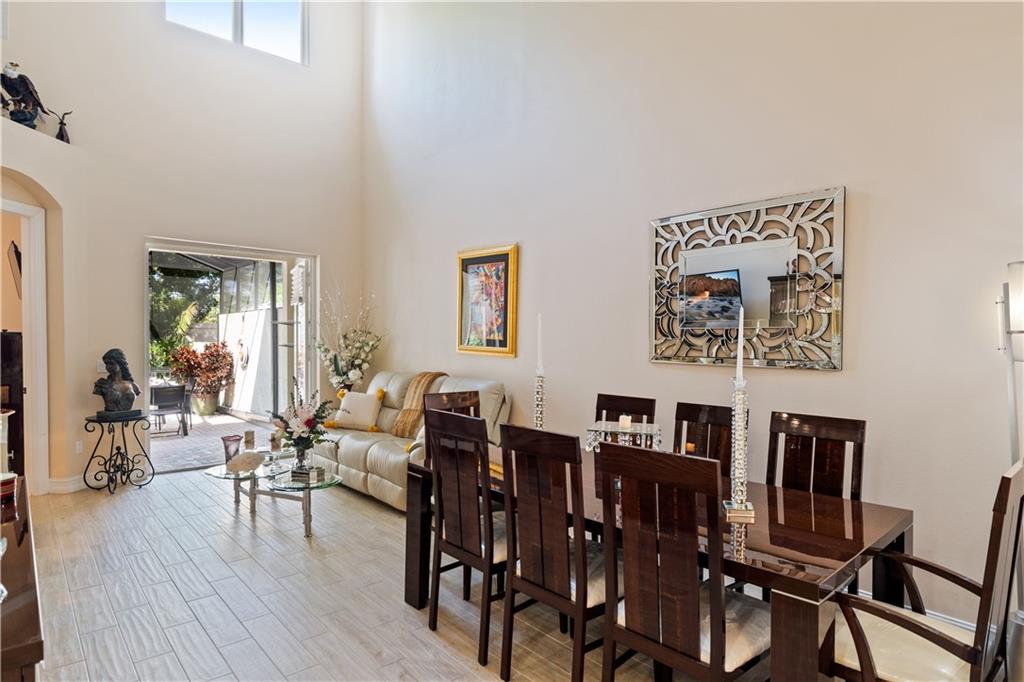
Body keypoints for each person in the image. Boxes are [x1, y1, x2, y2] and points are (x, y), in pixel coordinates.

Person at [93, 348, 140, 414]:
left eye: (111, 363)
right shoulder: (102, 384)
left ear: (120, 364)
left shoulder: (133, 386)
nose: (108, 367)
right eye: (106, 364)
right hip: (111, 417)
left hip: (129, 416)